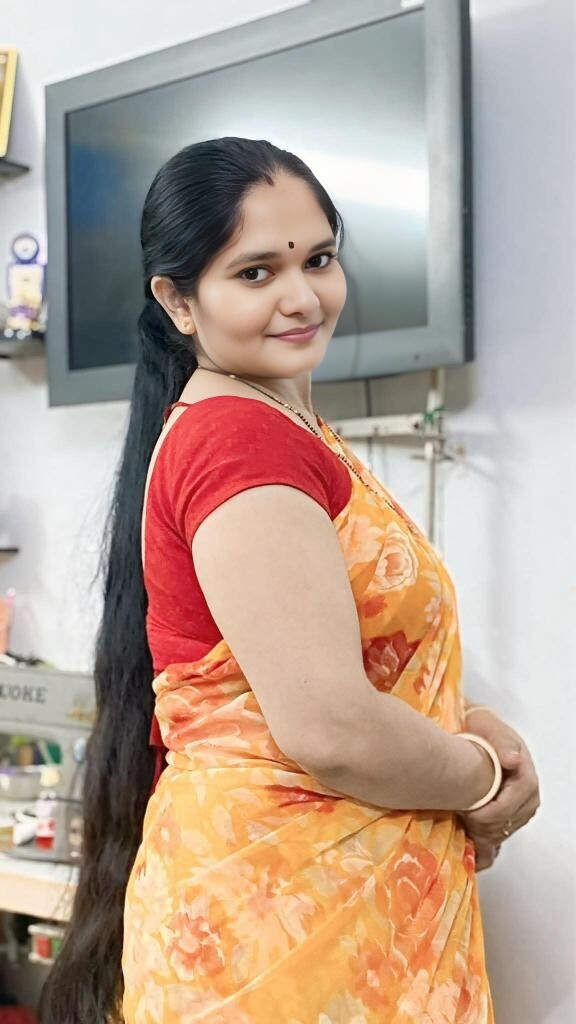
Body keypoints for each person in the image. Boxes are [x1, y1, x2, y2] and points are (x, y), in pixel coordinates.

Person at [38, 138, 540, 1024]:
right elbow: (329, 725)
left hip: (332, 905)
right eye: (256, 272)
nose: (303, 296)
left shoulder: (279, 425)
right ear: (178, 300)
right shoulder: (241, 443)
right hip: (286, 930)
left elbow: (325, 667)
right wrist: (481, 782)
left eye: (319, 258)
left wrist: (467, 721)